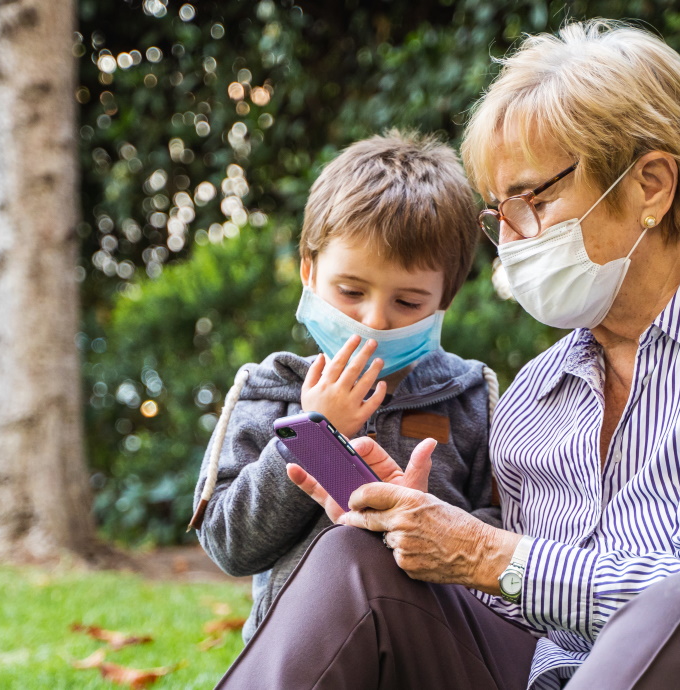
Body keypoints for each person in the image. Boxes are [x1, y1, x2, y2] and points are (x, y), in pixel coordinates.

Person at [215, 19, 680, 690]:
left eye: (530, 198)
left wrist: (481, 552)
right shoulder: (536, 396)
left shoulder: (479, 393)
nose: (509, 237)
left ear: (649, 184)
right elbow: (517, 609)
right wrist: (421, 536)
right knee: (355, 559)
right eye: (496, 211)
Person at [189, 131, 501, 642]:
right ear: (309, 273)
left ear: (445, 300)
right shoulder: (267, 391)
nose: (374, 320)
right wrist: (314, 436)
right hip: (300, 655)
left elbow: (501, 540)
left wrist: (427, 521)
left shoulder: (471, 397)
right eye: (351, 291)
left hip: (428, 654)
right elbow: (229, 544)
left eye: (408, 303)